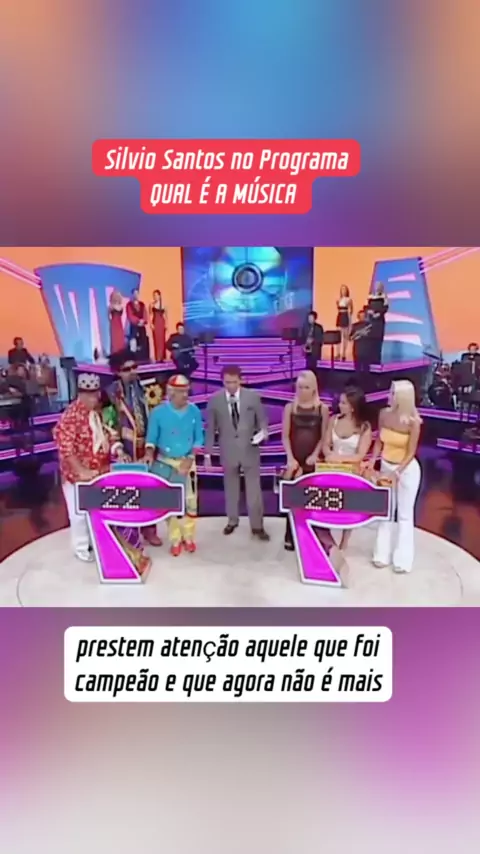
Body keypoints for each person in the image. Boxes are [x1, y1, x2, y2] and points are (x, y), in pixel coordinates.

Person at [53, 373, 135, 565]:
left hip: (98, 472)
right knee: (79, 514)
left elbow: (107, 435)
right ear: (80, 394)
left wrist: (118, 449)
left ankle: (96, 542)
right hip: (76, 477)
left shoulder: (96, 413)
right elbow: (66, 449)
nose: (93, 398)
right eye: (88, 395)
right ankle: (81, 548)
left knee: (96, 510)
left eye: (95, 394)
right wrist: (81, 471)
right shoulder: (70, 417)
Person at [204, 365, 269, 540]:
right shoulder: (215, 400)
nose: (231, 385)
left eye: (234, 382)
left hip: (250, 449)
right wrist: (207, 454)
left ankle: (257, 526)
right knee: (231, 488)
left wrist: (263, 433)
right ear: (222, 381)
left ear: (240, 380)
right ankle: (232, 520)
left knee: (254, 490)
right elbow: (210, 429)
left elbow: (263, 421)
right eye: (227, 382)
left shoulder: (253, 397)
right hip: (228, 451)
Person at [364, 379, 422, 573]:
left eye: (393, 393)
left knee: (404, 515)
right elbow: (379, 441)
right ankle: (381, 555)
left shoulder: (414, 422)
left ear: (402, 398)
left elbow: (411, 452)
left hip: (406, 470)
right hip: (386, 466)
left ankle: (402, 560)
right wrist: (373, 460)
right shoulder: (384, 414)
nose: (389, 396)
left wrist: (397, 472)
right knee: (386, 511)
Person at [108, 349, 163, 546]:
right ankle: (129, 534)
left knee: (149, 489)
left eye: (134, 367)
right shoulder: (110, 394)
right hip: (125, 449)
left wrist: (151, 447)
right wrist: (118, 449)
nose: (132, 372)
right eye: (127, 369)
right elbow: (108, 423)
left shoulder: (146, 388)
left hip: (147, 447)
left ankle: (150, 530)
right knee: (128, 491)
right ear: (117, 372)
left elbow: (155, 418)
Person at [144, 374, 204, 556]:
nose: (185, 395)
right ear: (170, 392)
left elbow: (199, 439)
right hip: (165, 463)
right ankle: (175, 539)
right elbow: (151, 439)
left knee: (190, 502)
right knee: (170, 503)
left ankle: (189, 537)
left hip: (187, 462)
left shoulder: (194, 411)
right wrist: (148, 453)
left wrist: (190, 458)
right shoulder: (158, 413)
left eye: (186, 391)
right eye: (180, 391)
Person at [99, 392, 152, 576]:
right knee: (114, 516)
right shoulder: (100, 414)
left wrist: (119, 450)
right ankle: (123, 556)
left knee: (129, 510)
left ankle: (135, 554)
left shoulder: (109, 414)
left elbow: (113, 437)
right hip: (100, 475)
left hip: (120, 469)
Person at [281, 370, 329, 550]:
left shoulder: (322, 409)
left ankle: (312, 536)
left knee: (312, 499)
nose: (302, 391)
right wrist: (290, 457)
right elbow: (285, 436)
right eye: (300, 387)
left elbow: (323, 437)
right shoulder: (290, 408)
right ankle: (290, 535)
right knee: (293, 499)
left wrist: (316, 454)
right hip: (295, 459)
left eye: (306, 387)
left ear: (314, 388)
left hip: (313, 461)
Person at [322, 385, 372, 549]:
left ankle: (344, 542)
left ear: (352, 407)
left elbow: (360, 455)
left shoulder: (364, 427)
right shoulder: (333, 420)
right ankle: (328, 541)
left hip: (351, 471)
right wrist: (329, 454)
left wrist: (339, 459)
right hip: (331, 469)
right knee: (326, 505)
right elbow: (326, 445)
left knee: (349, 509)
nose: (340, 405)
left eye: (343, 403)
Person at [366, 282, 389, 365]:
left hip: (379, 321)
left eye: (379, 286)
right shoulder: (370, 296)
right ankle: (370, 359)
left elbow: (386, 308)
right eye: (376, 286)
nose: (378, 287)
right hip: (371, 320)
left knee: (378, 340)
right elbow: (366, 307)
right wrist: (369, 312)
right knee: (370, 339)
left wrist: (379, 314)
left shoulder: (384, 296)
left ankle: (377, 360)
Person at [126, 288, 149, 361]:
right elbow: (130, 316)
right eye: (134, 294)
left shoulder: (142, 304)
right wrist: (138, 321)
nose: (136, 295)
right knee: (133, 343)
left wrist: (143, 321)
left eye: (137, 293)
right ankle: (133, 359)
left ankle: (143, 359)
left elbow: (145, 314)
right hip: (134, 327)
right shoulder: (129, 305)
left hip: (142, 327)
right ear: (132, 295)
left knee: (143, 342)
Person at [350, 308, 372, 375]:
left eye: (363, 316)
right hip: (357, 350)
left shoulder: (369, 325)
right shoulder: (355, 325)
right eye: (360, 316)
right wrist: (357, 334)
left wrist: (364, 333)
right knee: (357, 369)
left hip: (366, 350)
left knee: (366, 368)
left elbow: (371, 335)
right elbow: (350, 337)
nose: (362, 317)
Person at [335, 285, 353, 361]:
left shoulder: (349, 299)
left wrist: (350, 320)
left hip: (345, 316)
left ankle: (344, 354)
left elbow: (351, 310)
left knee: (345, 336)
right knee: (338, 336)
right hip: (339, 316)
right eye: (342, 289)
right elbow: (338, 308)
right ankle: (337, 353)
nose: (343, 291)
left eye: (344, 289)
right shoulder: (338, 299)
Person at [150, 289, 167, 362]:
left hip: (161, 323)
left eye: (156, 295)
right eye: (154, 295)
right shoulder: (152, 305)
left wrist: (166, 324)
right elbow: (150, 315)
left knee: (162, 340)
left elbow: (166, 315)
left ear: (159, 296)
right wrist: (151, 324)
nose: (155, 297)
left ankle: (162, 357)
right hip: (155, 322)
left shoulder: (163, 305)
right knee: (156, 340)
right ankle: (157, 357)